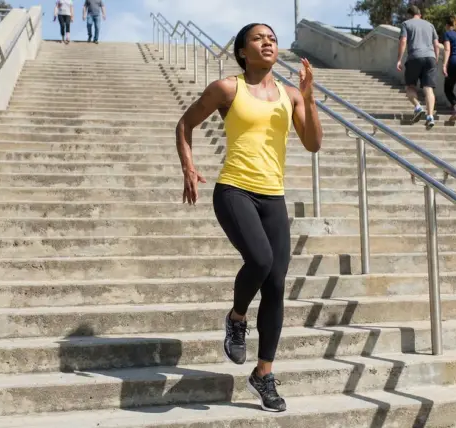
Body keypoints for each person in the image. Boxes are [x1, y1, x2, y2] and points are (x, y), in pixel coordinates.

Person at [175, 23, 323, 413]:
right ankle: (237, 317)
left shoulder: (290, 95)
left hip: (273, 197)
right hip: (233, 190)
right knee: (260, 260)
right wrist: (189, 167)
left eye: (271, 38)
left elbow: (313, 144)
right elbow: (185, 124)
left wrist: (308, 99)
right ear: (243, 51)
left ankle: (263, 373)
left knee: (275, 285)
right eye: (259, 38)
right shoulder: (228, 89)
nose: (268, 42)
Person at [396, 5, 439, 129]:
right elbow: (436, 43)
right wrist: (436, 58)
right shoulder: (430, 25)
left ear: (409, 15)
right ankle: (430, 116)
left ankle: (418, 106)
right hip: (430, 58)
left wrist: (399, 59)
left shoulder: (406, 24)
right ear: (420, 14)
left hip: (415, 57)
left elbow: (403, 41)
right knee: (428, 88)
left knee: (410, 86)